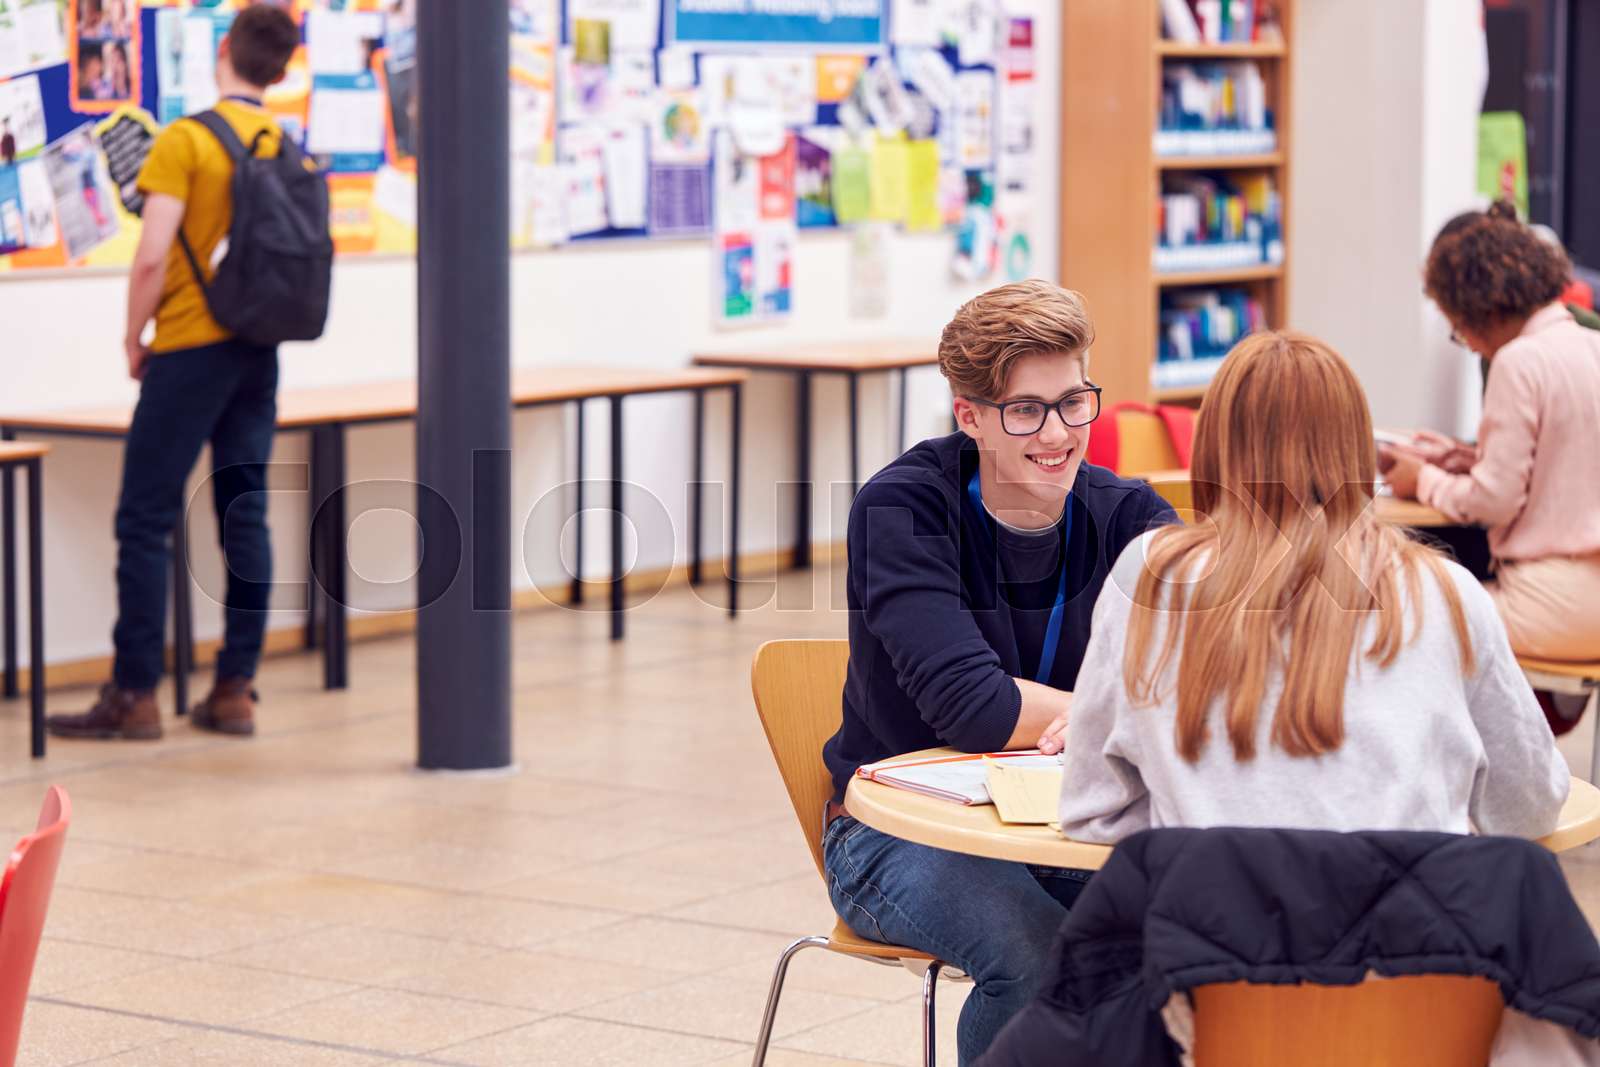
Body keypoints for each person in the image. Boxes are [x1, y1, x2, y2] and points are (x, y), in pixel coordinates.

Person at [821, 280, 1177, 1065]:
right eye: (1025, 410)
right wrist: (1108, 710)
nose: (1057, 433)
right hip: (894, 830)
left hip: (1061, 814)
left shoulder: (1129, 516)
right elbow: (973, 708)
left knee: (1184, 940)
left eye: (1074, 401)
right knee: (1040, 958)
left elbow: (1199, 676)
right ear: (970, 415)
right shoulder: (902, 509)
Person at [1056, 331, 1568, 843]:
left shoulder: (1148, 579)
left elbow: (1090, 811)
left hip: (1209, 918)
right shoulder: (1447, 594)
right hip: (1401, 917)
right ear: (1357, 451)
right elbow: (1529, 809)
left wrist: (1196, 815)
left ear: (1211, 446)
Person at [47, 5, 303, 743]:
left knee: (146, 518)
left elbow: (153, 253)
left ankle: (134, 695)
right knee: (244, 515)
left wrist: (134, 335)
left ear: (224, 50)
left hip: (191, 347)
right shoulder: (283, 140)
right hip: (259, 348)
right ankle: (235, 688)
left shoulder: (188, 140)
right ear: (281, 70)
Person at [1385, 200, 1600, 729]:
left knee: (1397, 608)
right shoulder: (1590, 344)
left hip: (1552, 605)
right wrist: (1468, 459)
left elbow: (1494, 502)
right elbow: (1565, 462)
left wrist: (1425, 478)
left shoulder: (1518, 362)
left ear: (1478, 310)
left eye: (1458, 327)